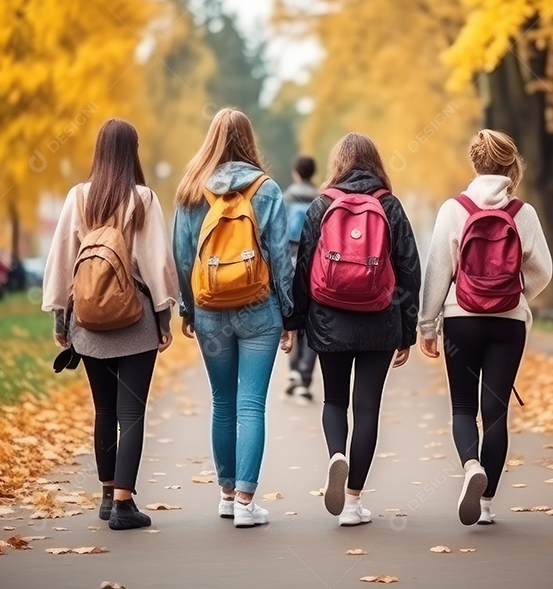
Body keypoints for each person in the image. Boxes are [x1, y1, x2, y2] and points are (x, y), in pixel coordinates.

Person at [42, 118, 179, 531]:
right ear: (132, 152)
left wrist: (61, 320)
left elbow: (62, 258)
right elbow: (156, 262)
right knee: (130, 413)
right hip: (136, 319)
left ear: (99, 151)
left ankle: (106, 497)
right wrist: (163, 318)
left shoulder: (78, 197)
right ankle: (123, 504)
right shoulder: (143, 198)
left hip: (88, 322)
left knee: (103, 409)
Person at [418, 129, 553, 526]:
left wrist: (427, 326)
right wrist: (515, 292)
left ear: (474, 164)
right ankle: (488, 504)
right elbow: (543, 271)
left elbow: (438, 271)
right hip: (508, 323)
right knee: (495, 412)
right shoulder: (523, 213)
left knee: (463, 407)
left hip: (461, 319)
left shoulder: (454, 209)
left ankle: (471, 466)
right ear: (511, 166)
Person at [286, 133, 421, 527]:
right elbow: (409, 269)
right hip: (380, 319)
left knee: (334, 401)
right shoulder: (389, 205)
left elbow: (303, 266)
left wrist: (296, 321)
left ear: (338, 163)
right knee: (367, 408)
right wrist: (408, 331)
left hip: (330, 320)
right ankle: (352, 502)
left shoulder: (321, 205)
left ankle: (336, 456)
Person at [172, 107, 295, 528]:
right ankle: (246, 502)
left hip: (209, 309)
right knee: (251, 404)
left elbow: (181, 256)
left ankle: (226, 496)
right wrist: (289, 314)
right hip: (260, 308)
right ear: (248, 140)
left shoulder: (191, 190)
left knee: (222, 403)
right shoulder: (267, 189)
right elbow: (279, 257)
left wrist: (188, 308)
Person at [282, 155, 319, 404]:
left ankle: (294, 369)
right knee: (311, 322)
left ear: (296, 172)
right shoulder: (320, 197)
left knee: (291, 318)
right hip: (313, 266)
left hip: (290, 263)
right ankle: (305, 376)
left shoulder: (286, 197)